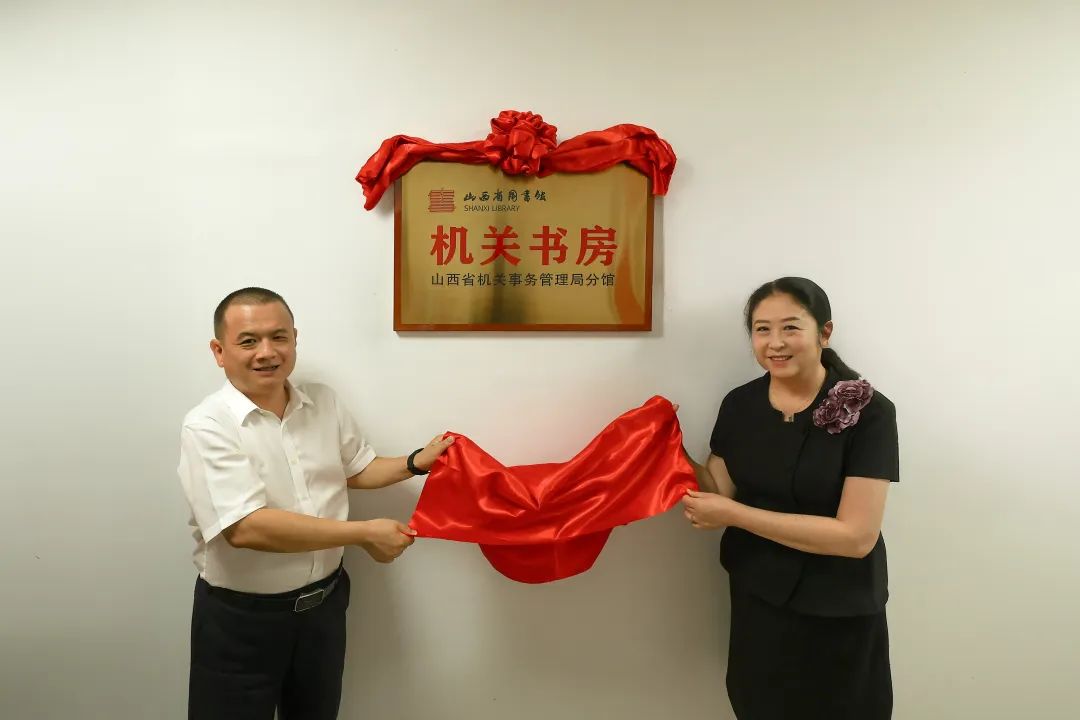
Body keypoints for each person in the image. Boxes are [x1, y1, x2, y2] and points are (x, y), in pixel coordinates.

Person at [177, 287, 452, 720]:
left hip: (324, 609)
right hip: (241, 621)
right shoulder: (208, 425)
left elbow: (356, 469)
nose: (267, 352)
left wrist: (417, 462)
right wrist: (364, 534)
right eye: (248, 341)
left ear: (294, 339)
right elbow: (246, 528)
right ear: (219, 351)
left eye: (279, 337)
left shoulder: (322, 402)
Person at [682, 277, 899, 719]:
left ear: (824, 332)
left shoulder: (870, 412)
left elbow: (855, 537)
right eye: (762, 329)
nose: (775, 343)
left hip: (839, 610)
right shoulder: (740, 405)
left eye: (790, 327)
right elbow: (717, 492)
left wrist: (736, 515)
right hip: (759, 601)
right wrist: (667, 447)